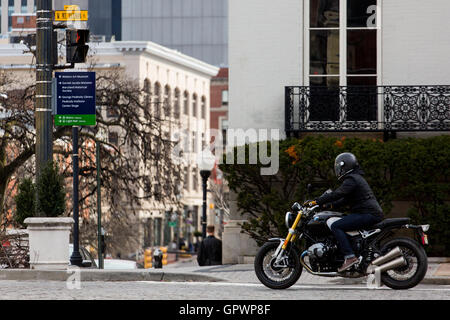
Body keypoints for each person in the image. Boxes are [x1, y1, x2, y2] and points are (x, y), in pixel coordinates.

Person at [307, 152, 384, 272]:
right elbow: (345, 200)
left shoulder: (352, 179)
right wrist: (329, 205)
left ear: (344, 166)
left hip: (368, 214)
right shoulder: (355, 178)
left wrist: (316, 202)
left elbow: (338, 193)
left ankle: (350, 257)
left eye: (339, 167)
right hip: (368, 213)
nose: (338, 170)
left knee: (336, 226)